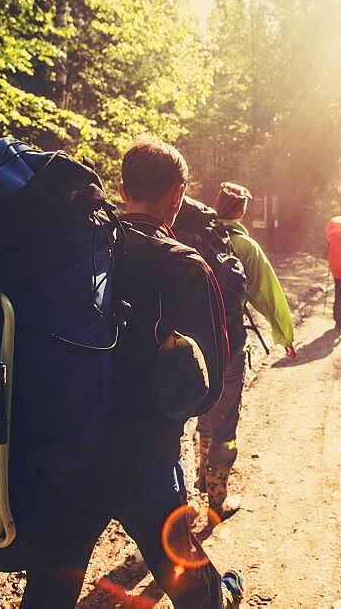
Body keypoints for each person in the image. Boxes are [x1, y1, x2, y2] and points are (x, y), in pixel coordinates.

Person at [111, 135, 243, 608]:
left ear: (123, 190)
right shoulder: (186, 265)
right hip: (145, 448)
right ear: (177, 196)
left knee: (51, 579)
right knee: (179, 562)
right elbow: (209, 384)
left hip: (72, 439)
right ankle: (219, 598)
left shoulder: (82, 253)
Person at [193, 181, 296, 518]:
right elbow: (267, 294)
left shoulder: (192, 238)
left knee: (204, 412)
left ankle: (199, 474)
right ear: (241, 211)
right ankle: (217, 497)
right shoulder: (245, 247)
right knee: (226, 418)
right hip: (230, 346)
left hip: (193, 344)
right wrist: (285, 336)